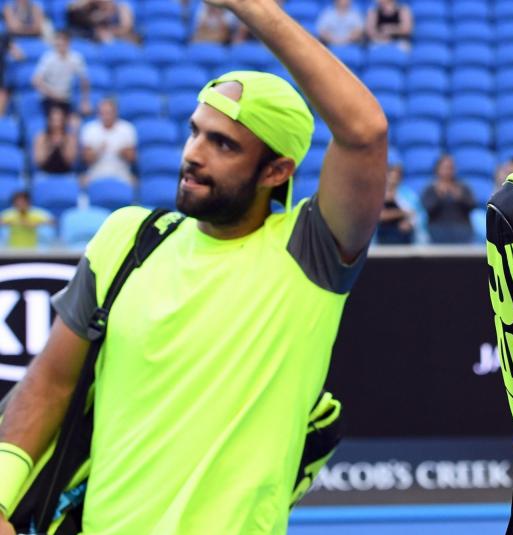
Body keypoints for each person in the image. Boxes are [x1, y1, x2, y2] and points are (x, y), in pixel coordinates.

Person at [0, 0, 388, 533]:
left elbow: (365, 132)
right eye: (195, 131)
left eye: (223, 143)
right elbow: (50, 384)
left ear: (276, 170)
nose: (194, 154)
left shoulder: (310, 255)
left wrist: (251, 8)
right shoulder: (127, 239)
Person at [31, 32, 91, 117]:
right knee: (56, 117)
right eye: (58, 43)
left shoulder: (76, 58)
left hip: (66, 99)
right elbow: (36, 80)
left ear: (68, 43)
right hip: (49, 99)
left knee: (75, 120)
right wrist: (53, 94)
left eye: (62, 43)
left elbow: (84, 80)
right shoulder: (48, 58)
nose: (60, 46)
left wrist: (85, 101)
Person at [80, 97, 137, 185]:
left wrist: (123, 152)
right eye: (102, 113)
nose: (106, 116)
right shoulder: (90, 128)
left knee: (135, 183)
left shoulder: (127, 128)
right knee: (82, 182)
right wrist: (98, 151)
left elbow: (132, 158)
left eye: (108, 113)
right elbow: (86, 159)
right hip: (96, 172)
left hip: (121, 172)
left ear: (115, 112)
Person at [421, 154, 475, 244]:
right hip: (437, 232)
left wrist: (460, 197)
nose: (448, 171)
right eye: (445, 168)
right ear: (437, 169)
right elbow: (428, 209)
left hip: (461, 231)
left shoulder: (463, 187)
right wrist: (438, 196)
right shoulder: (430, 189)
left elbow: (472, 206)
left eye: (451, 168)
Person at [377, 160, 416, 244]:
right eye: (391, 176)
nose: (393, 180)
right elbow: (380, 216)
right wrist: (401, 213)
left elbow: (414, 213)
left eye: (397, 177)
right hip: (383, 235)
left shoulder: (407, 195)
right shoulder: (378, 194)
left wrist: (409, 223)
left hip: (403, 236)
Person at [33, 105, 78, 174]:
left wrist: (62, 145)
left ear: (64, 120)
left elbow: (71, 162)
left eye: (59, 120)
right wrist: (51, 146)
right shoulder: (41, 137)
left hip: (65, 173)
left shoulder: (70, 138)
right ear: (49, 120)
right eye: (53, 120)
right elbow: (39, 161)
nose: (56, 123)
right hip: (45, 173)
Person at [65, 0, 135, 43]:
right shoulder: (93, 8)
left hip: (118, 39)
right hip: (95, 39)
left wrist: (110, 32)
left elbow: (126, 27)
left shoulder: (121, 8)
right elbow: (71, 8)